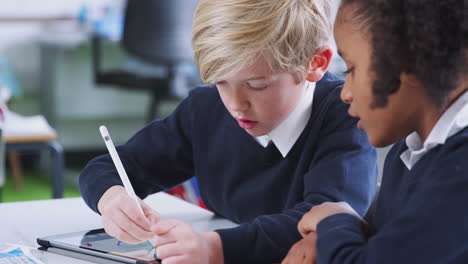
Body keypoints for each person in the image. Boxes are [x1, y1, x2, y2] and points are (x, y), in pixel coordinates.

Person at [79, 0, 378, 263]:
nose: (236, 105)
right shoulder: (206, 108)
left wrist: (215, 249)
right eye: (221, 82)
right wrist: (112, 199)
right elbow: (109, 166)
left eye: (257, 85)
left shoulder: (346, 114)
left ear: (315, 63)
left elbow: (326, 219)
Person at [285, 0, 468, 263]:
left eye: (352, 69)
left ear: (410, 63)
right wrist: (331, 234)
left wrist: (333, 222)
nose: (345, 93)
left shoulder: (460, 170)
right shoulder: (408, 152)